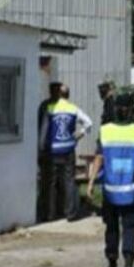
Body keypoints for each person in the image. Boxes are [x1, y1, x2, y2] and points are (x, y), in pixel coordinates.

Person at [87, 93, 134, 267]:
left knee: (111, 227)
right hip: (131, 188)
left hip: (110, 189)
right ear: (131, 109)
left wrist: (91, 181)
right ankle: (129, 263)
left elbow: (99, 158)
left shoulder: (106, 131)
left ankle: (112, 265)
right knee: (129, 226)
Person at [38, 84, 93, 221]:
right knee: (69, 181)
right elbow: (89, 123)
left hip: (53, 150)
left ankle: (50, 214)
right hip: (68, 149)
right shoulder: (73, 108)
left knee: (51, 182)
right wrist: (78, 135)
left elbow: (44, 132)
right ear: (68, 95)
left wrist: (41, 149)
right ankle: (70, 213)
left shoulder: (50, 108)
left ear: (58, 94)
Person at [36, 82, 62, 221]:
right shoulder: (58, 107)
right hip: (56, 150)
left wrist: (39, 149)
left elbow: (41, 128)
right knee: (56, 182)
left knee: (48, 183)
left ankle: (48, 212)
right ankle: (55, 211)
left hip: (47, 149)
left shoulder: (44, 105)